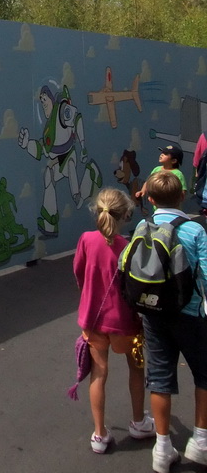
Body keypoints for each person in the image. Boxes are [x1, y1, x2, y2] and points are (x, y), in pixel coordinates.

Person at [73, 187, 154, 453]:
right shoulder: (127, 246)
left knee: (99, 373)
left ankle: (99, 434)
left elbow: (79, 273)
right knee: (136, 368)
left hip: (93, 320)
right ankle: (139, 421)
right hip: (124, 321)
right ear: (125, 216)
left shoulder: (85, 239)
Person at [139, 170, 207, 473]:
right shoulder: (195, 231)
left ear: (151, 200)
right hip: (190, 314)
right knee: (204, 375)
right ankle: (201, 442)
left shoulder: (143, 225)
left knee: (160, 378)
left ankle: (162, 448)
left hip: (153, 314)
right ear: (182, 195)